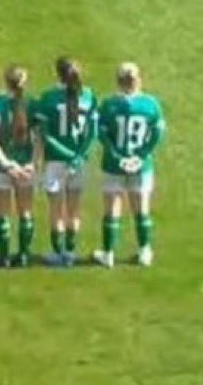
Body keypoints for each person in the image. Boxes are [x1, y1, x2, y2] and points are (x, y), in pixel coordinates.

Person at [94, 63, 165, 268]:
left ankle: (108, 253)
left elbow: (101, 134)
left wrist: (117, 157)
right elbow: (157, 134)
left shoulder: (109, 104)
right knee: (141, 208)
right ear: (138, 80)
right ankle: (144, 251)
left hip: (113, 165)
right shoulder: (151, 104)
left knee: (112, 209)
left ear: (118, 81)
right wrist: (141, 156)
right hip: (141, 166)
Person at [34, 57, 98, 267]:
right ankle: (70, 252)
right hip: (78, 162)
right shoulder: (88, 95)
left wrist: (65, 154)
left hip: (55, 162)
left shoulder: (49, 97)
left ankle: (58, 252)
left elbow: (45, 135)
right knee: (74, 209)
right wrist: (78, 156)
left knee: (56, 209)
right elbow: (92, 133)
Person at [0, 66, 41, 268]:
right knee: (25, 212)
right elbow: (38, 139)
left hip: (1, 166)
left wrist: (5, 163)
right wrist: (32, 164)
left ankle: (3, 256)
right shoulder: (32, 104)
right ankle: (24, 255)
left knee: (2, 213)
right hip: (25, 166)